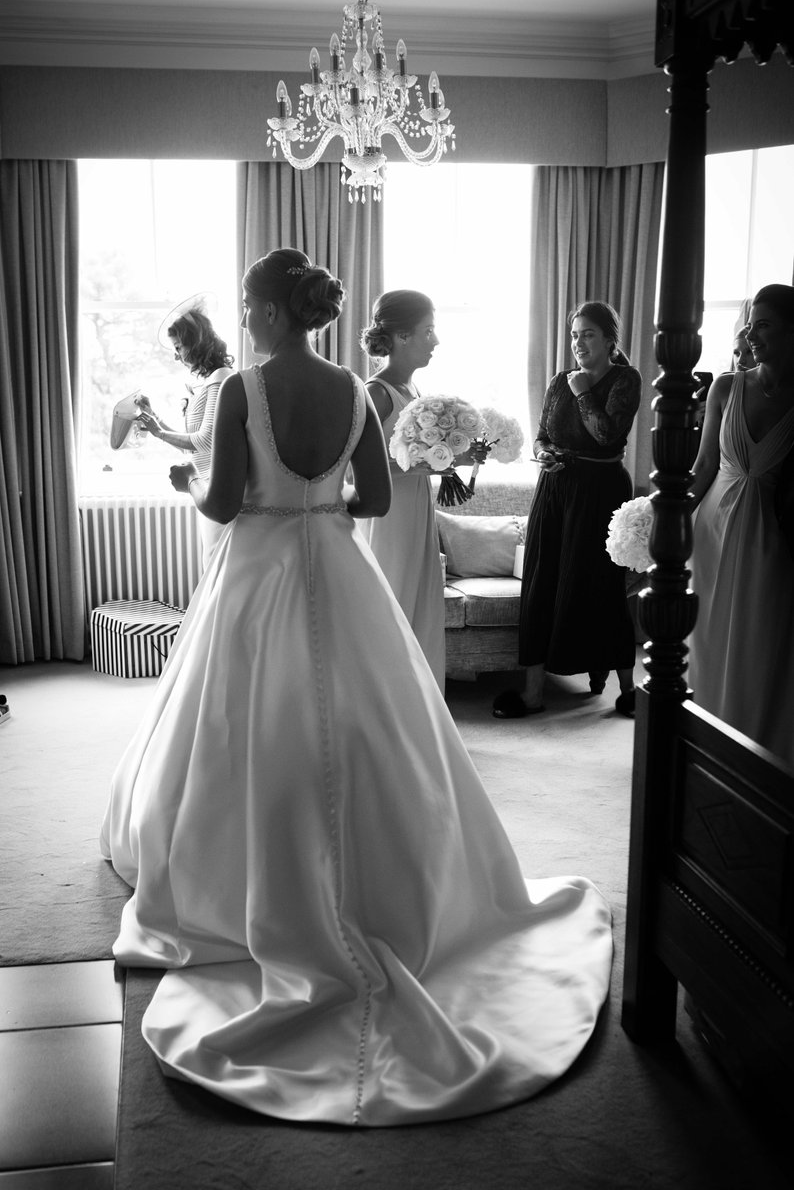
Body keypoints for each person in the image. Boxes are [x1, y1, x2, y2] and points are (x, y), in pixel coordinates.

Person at [100, 248, 612, 1128]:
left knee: (244, 726)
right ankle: (391, 884)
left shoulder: (239, 392)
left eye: (249, 305)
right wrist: (316, 501)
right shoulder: (349, 390)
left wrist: (195, 483)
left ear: (263, 312)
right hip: (338, 567)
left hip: (256, 574)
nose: (248, 315)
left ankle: (245, 888)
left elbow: (222, 505)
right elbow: (373, 498)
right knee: (373, 721)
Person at [494, 301, 641, 720]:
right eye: (574, 334)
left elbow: (606, 435)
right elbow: (541, 436)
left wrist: (582, 392)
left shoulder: (624, 379)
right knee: (543, 582)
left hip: (601, 494)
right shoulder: (560, 380)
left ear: (609, 339)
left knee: (601, 585)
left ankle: (628, 689)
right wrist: (545, 455)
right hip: (556, 489)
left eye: (588, 334)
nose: (578, 342)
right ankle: (533, 692)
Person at [689, 283, 794, 766]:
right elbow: (703, 465)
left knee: (760, 647)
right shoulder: (726, 387)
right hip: (711, 532)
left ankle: (752, 758)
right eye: (750, 323)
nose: (751, 333)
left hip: (771, 540)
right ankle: (701, 750)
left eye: (765, 324)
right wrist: (660, 520)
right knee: (704, 644)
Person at [358, 290, 446, 688]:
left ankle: (421, 706)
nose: (436, 340)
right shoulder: (377, 393)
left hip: (417, 513)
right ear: (401, 337)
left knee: (420, 607)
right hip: (390, 518)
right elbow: (353, 470)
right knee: (391, 607)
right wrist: (424, 464)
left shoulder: (417, 393)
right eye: (427, 331)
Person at [136, 297, 234, 565]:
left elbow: (205, 440)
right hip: (205, 487)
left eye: (178, 347)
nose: (176, 355)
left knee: (218, 569)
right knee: (211, 567)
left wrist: (159, 432)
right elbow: (188, 445)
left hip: (219, 489)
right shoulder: (208, 381)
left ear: (196, 343)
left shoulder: (222, 377)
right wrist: (154, 417)